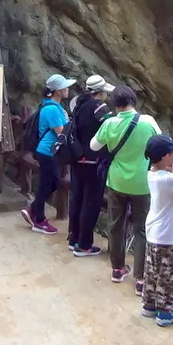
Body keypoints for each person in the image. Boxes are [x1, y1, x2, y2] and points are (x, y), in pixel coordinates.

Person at [90, 85, 160, 290]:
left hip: (117, 182)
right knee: (142, 229)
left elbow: (94, 146)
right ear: (133, 101)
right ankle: (140, 278)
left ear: (114, 105)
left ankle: (117, 269)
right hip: (142, 183)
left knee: (116, 225)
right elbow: (160, 143)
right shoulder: (148, 122)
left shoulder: (110, 123)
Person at [21, 73, 75, 236]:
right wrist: (70, 122)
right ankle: (39, 220)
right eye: (65, 87)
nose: (68, 89)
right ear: (58, 90)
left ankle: (33, 210)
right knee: (48, 183)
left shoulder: (54, 107)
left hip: (49, 152)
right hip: (47, 151)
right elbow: (62, 132)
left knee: (53, 182)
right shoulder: (51, 109)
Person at [68, 74, 115, 258]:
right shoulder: (98, 106)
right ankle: (85, 245)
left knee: (77, 199)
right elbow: (111, 127)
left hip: (78, 160)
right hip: (93, 161)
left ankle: (74, 239)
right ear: (100, 92)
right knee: (91, 202)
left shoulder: (78, 104)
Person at [142, 135, 173, 326]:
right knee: (168, 275)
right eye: (171, 153)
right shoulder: (168, 180)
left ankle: (149, 305)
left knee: (152, 271)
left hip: (153, 231)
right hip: (167, 235)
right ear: (164, 156)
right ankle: (166, 313)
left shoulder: (152, 173)